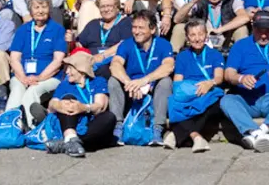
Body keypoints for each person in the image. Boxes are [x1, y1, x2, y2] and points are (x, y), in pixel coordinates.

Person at [220, 10, 269, 152]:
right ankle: (255, 133)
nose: (263, 35)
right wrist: (241, 78)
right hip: (248, 99)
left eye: (267, 31)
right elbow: (228, 73)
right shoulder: (240, 46)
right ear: (253, 27)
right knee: (227, 101)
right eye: (259, 30)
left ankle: (262, 131)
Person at [109, 9, 174, 145]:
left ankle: (158, 128)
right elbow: (115, 65)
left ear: (152, 29)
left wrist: (144, 81)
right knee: (113, 81)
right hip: (131, 88)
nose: (136, 31)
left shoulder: (163, 44)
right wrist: (129, 83)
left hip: (152, 86)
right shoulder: (127, 44)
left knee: (166, 82)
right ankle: (118, 126)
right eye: (134, 27)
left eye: (141, 28)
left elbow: (168, 66)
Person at [165, 17, 225, 152]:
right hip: (188, 91)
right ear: (187, 38)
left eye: (200, 34)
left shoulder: (215, 54)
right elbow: (177, 81)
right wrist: (187, 93)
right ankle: (196, 136)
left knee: (207, 105)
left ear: (206, 35)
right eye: (192, 35)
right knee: (174, 102)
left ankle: (176, 135)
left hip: (209, 90)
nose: (197, 39)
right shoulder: (182, 56)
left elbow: (219, 77)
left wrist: (210, 83)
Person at [42, 49, 115, 158]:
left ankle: (67, 143)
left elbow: (100, 106)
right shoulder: (65, 84)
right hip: (72, 122)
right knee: (67, 100)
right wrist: (59, 105)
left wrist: (83, 108)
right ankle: (71, 138)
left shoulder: (98, 82)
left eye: (70, 68)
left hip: (90, 124)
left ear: (81, 70)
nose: (67, 72)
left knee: (109, 117)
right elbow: (52, 104)